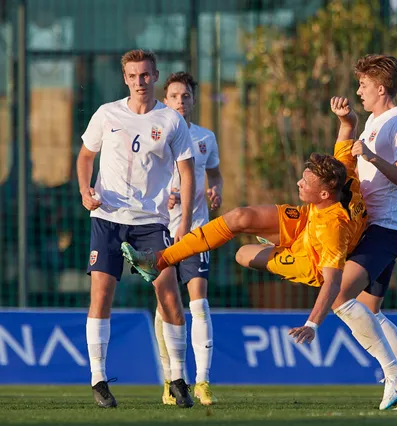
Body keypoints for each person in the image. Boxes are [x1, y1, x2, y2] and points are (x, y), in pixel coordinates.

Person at [122, 96, 366, 361]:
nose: (298, 183)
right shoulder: (344, 174)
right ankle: (160, 259)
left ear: (325, 194)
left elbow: (332, 282)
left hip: (308, 260)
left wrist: (312, 324)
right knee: (240, 216)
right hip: (306, 221)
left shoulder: (333, 229)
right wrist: (345, 118)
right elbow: (348, 129)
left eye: (306, 183)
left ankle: (275, 244)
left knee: (242, 254)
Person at [77, 49, 196, 408]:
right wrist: (86, 192)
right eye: (133, 76)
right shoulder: (107, 114)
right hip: (108, 218)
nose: (139, 82)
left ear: (155, 76)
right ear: (125, 78)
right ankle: (98, 379)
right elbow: (85, 157)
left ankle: (178, 378)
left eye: (145, 75)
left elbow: (188, 173)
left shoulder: (171, 121)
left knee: (169, 294)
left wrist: (186, 223)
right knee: (101, 294)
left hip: (151, 222)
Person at [331, 54, 397, 410]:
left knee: (338, 295)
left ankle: (394, 373)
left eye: (363, 84)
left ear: (380, 87)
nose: (358, 89)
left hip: (388, 227)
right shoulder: (374, 121)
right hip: (372, 226)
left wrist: (374, 157)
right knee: (369, 311)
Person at [156, 72, 223, 406]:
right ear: (165, 100)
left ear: (193, 100)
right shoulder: (157, 135)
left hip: (196, 229)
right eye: (174, 96)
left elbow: (215, 174)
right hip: (160, 229)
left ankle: (203, 381)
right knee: (165, 306)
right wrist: (165, 196)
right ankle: (170, 380)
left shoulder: (205, 138)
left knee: (199, 303)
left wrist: (216, 191)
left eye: (185, 96)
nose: (180, 102)